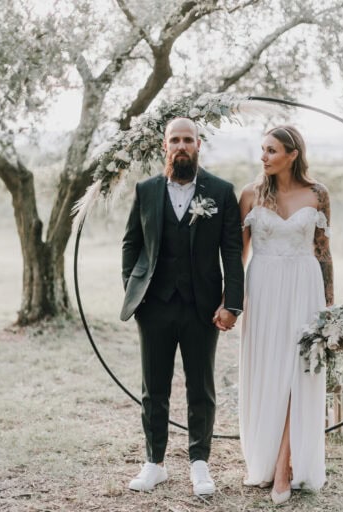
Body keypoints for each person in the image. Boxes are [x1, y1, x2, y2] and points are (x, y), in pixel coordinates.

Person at [120, 117, 244, 496]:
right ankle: (154, 463)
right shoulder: (146, 190)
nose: (181, 146)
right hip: (154, 306)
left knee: (200, 387)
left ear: (198, 145)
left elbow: (232, 251)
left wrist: (232, 305)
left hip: (202, 308)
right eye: (175, 140)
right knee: (153, 387)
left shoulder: (221, 192)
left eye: (188, 139)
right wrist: (134, 291)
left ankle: (199, 464)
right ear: (164, 146)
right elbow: (131, 244)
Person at [238, 125, 333, 504]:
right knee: (270, 370)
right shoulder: (249, 194)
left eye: (272, 150)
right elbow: (238, 255)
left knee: (299, 371)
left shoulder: (318, 194)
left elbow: (324, 251)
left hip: (304, 286)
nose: (264, 156)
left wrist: (330, 306)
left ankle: (284, 465)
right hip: (262, 288)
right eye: (262, 149)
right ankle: (268, 456)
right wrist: (233, 300)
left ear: (292, 154)